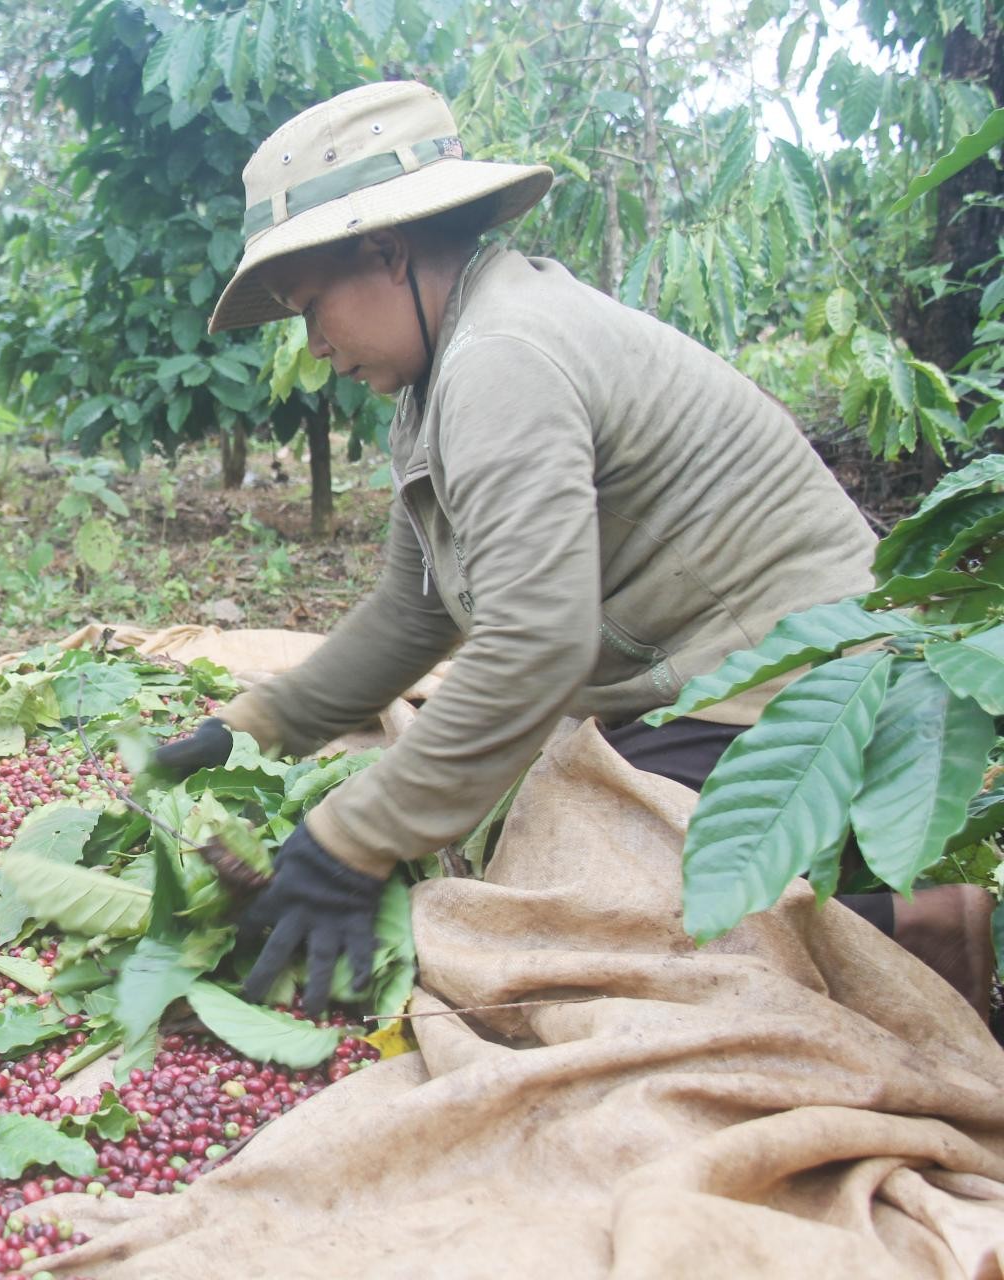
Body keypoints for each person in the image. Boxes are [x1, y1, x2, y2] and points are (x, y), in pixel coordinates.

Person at [155, 80, 994, 1017]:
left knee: (565, 916)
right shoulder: (440, 378)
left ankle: (908, 925)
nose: (314, 344)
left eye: (313, 306)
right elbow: (413, 612)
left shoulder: (502, 357)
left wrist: (350, 840)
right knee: (517, 831)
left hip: (797, 689)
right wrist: (254, 726)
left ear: (386, 252)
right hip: (687, 686)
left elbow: (535, 645)